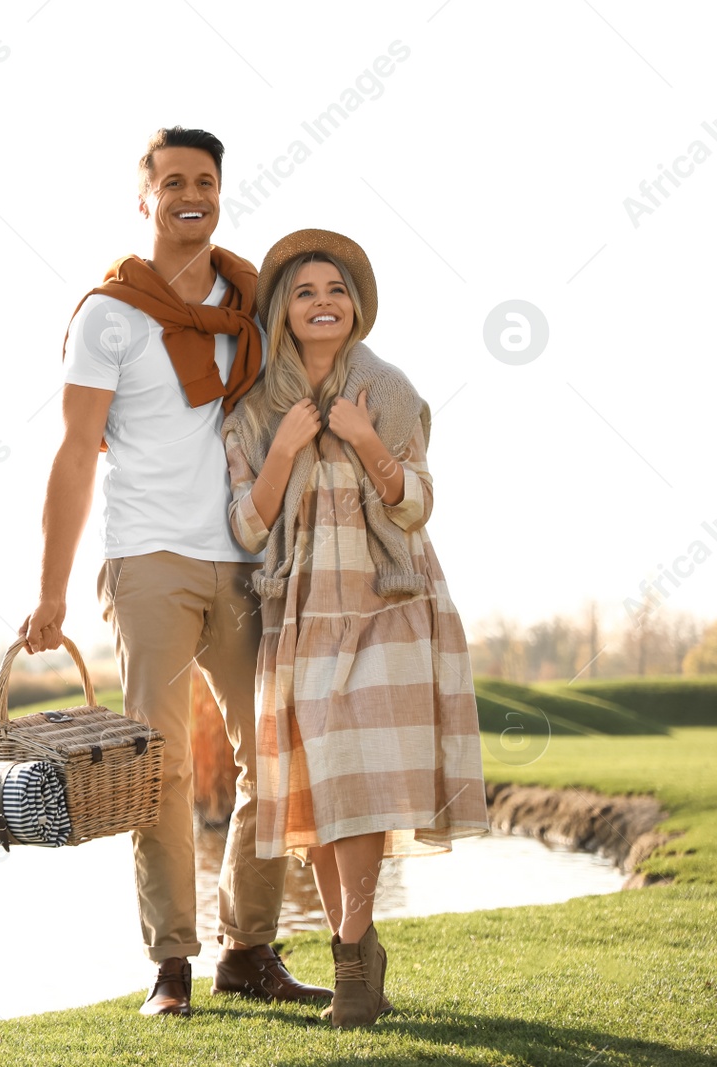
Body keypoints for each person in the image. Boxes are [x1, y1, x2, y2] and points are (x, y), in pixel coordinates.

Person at [19, 127, 331, 1019]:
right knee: (156, 769)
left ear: (220, 193)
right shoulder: (110, 315)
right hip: (149, 557)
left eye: (206, 181)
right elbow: (77, 454)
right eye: (173, 182)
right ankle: (171, 965)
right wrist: (51, 590)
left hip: (247, 561)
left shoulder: (251, 306)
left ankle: (249, 948)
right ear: (145, 198)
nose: (191, 194)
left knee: (276, 755)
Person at [220, 229, 490, 1028]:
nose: (322, 303)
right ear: (283, 309)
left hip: (389, 598)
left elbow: (415, 503)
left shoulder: (389, 389)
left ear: (356, 304)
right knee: (330, 784)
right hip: (300, 604)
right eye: (304, 292)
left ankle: (350, 964)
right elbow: (245, 526)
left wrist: (366, 438)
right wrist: (288, 448)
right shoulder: (254, 411)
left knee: (364, 778)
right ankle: (359, 952)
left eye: (335, 289)